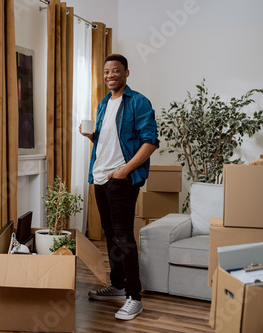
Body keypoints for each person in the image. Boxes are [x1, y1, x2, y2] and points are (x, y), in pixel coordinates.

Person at [79, 54, 159, 321]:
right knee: (110, 235)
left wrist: (124, 171)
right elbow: (107, 142)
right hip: (100, 177)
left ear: (126, 73)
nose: (110, 75)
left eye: (115, 71)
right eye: (106, 72)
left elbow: (150, 142)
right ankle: (118, 284)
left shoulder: (138, 102)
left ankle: (134, 298)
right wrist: (92, 136)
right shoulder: (104, 103)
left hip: (121, 179)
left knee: (124, 238)